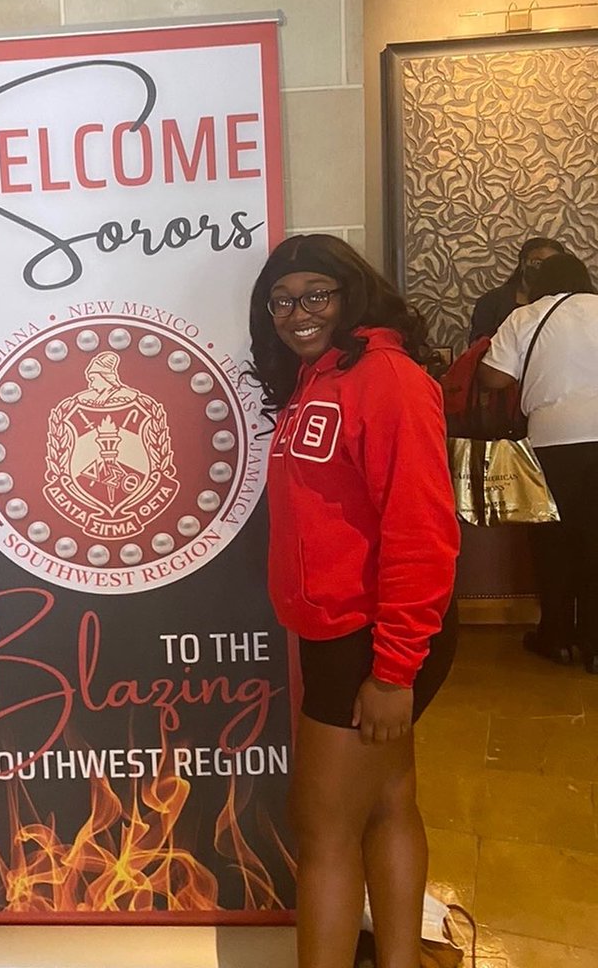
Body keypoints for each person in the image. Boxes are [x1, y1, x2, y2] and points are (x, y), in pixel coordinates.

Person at [248, 233, 459, 968]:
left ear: (351, 295)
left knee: (322, 827)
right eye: (281, 301)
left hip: (373, 635)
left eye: (316, 295)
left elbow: (422, 529)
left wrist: (395, 669)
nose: (297, 313)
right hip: (344, 630)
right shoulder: (319, 380)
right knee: (388, 802)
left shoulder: (387, 378)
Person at [479, 254, 598, 672]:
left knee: (553, 542)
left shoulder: (525, 316)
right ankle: (595, 646)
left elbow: (494, 377)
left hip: (552, 441)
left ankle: (557, 637)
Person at [469, 236, 564, 342]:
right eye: (537, 262)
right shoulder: (492, 301)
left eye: (552, 264)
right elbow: (478, 344)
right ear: (523, 263)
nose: (545, 268)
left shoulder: (565, 303)